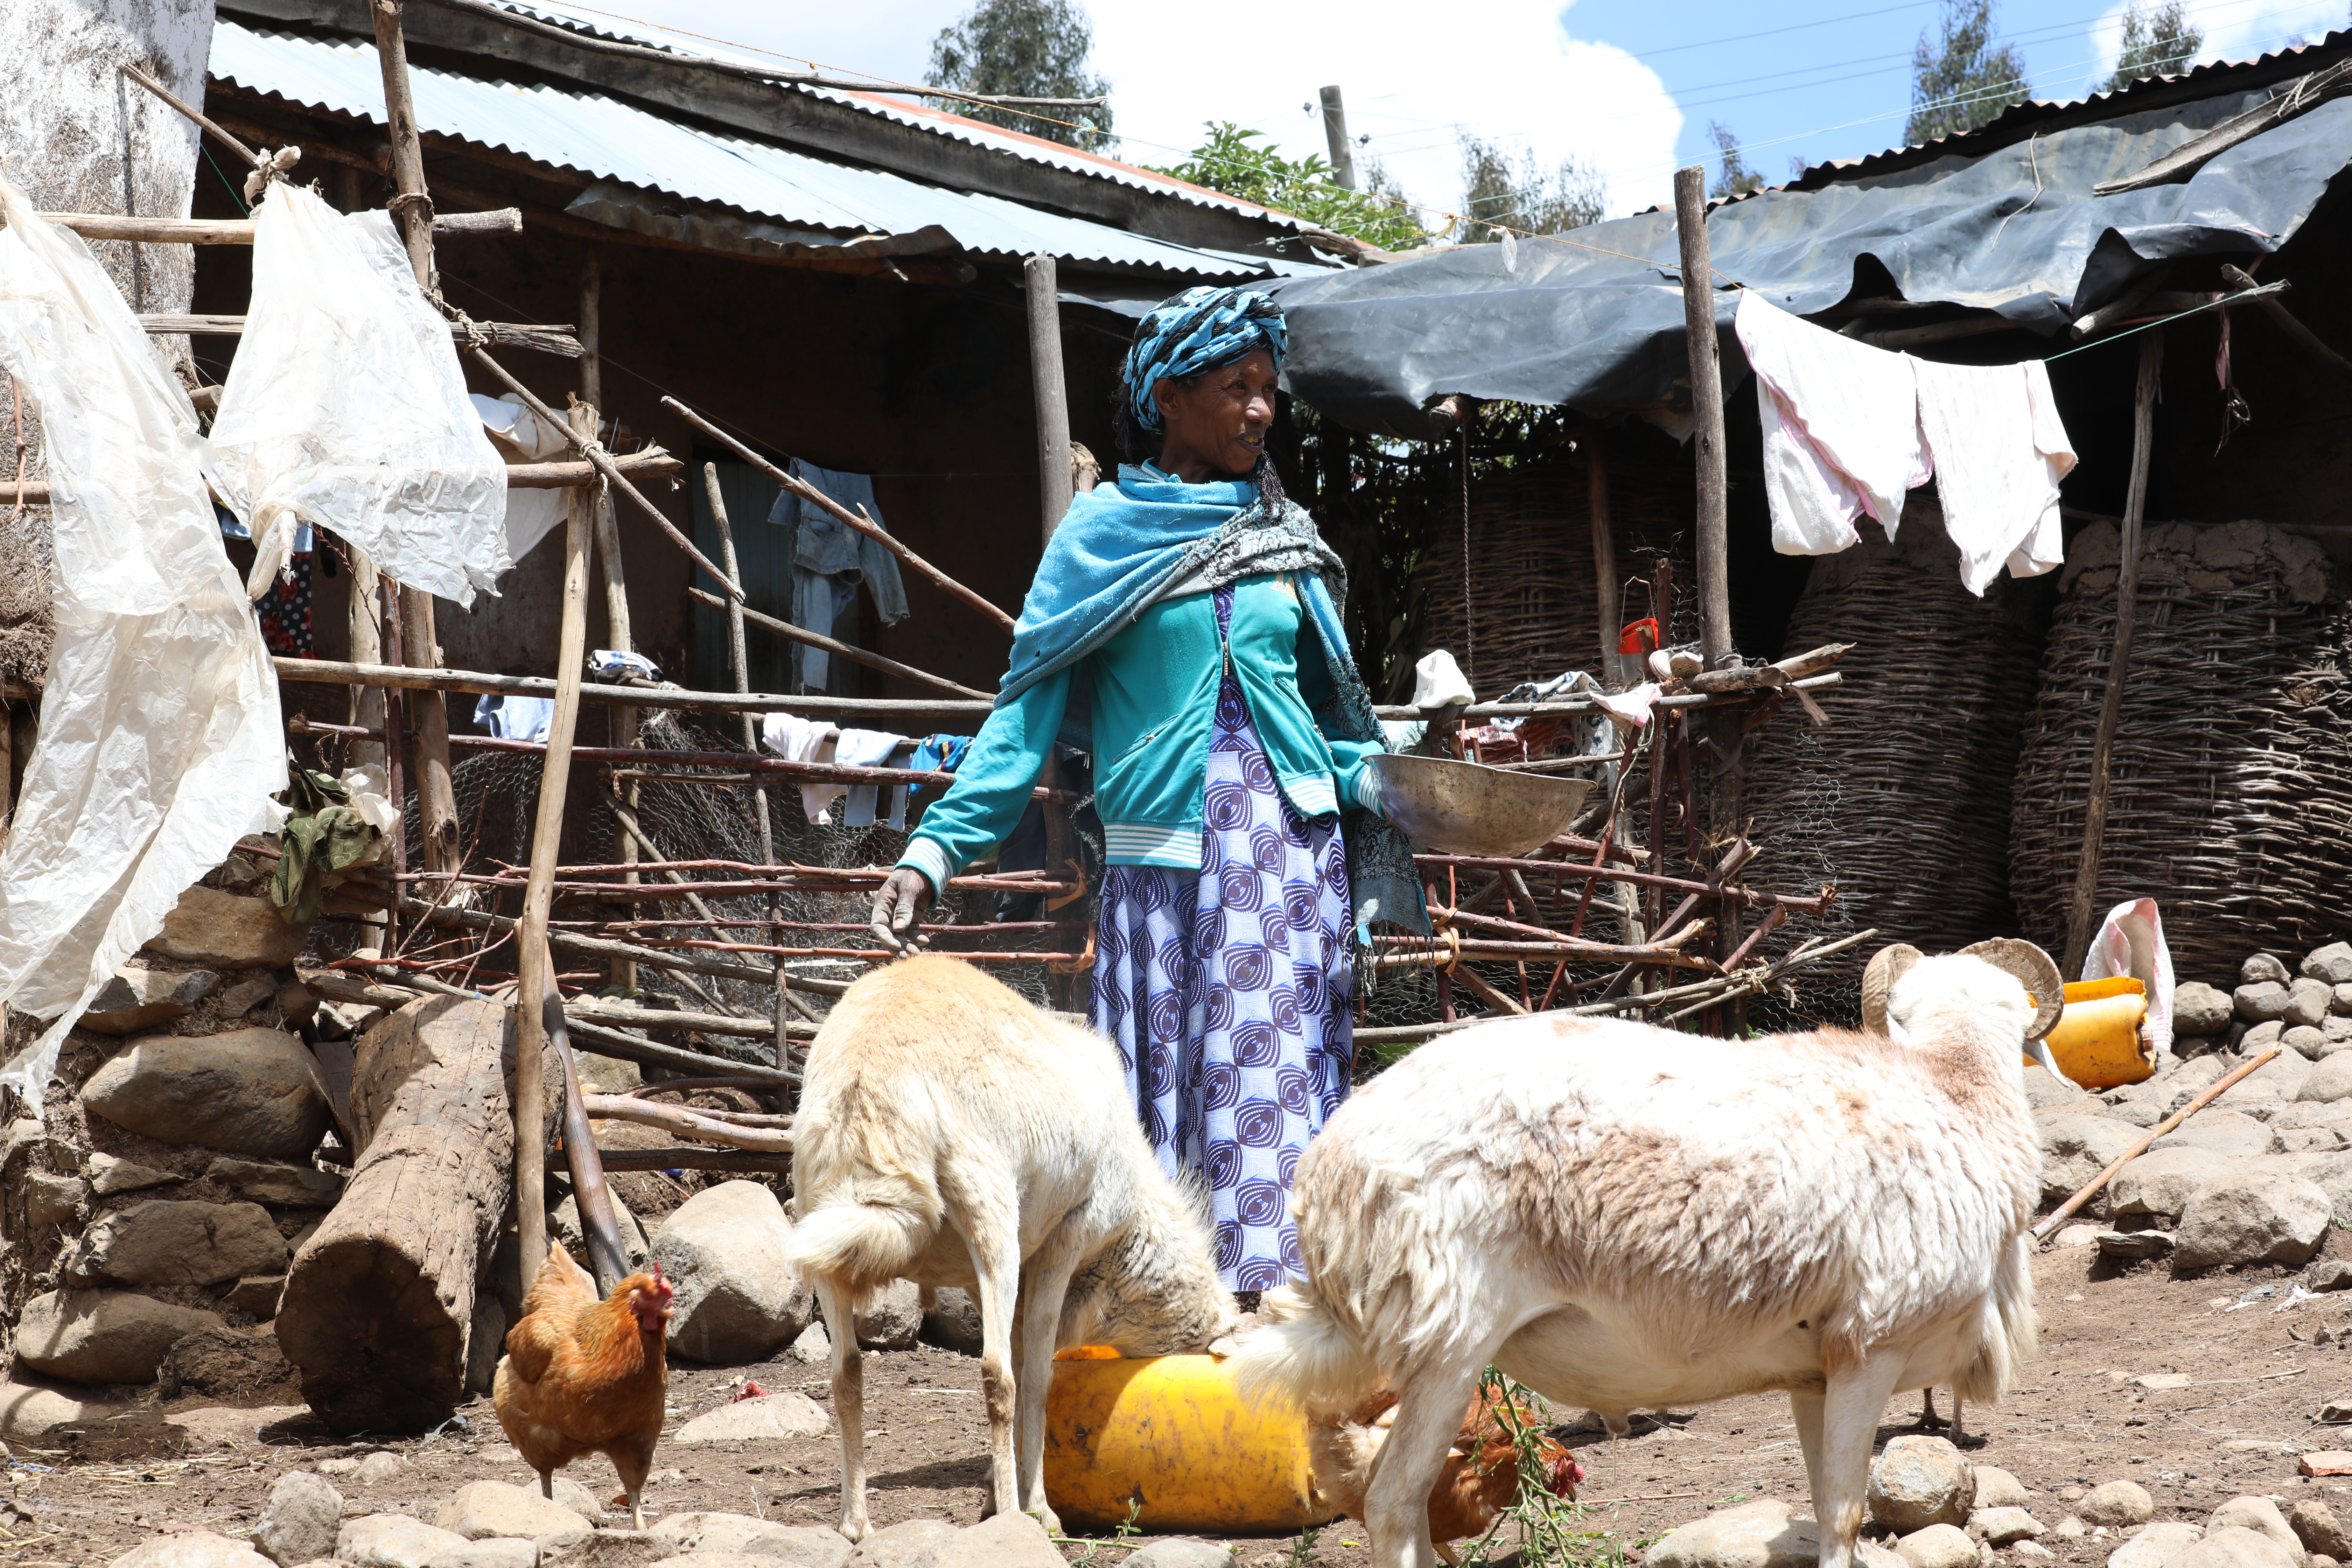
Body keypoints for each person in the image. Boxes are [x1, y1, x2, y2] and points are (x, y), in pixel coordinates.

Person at [867, 285, 1421, 1294]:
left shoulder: (1283, 539)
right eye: (1234, 388)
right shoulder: (1102, 538)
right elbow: (1021, 721)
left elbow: (1326, 728)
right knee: (1163, 1116)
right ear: (1168, 398)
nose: (1260, 410)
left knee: (1282, 1089)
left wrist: (1396, 783)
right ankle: (1178, 1339)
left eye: (1269, 390)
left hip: (1287, 872)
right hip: (1162, 878)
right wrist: (934, 852)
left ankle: (1288, 1330)